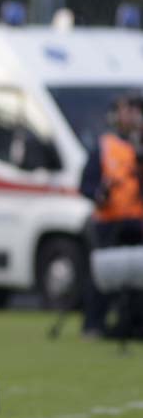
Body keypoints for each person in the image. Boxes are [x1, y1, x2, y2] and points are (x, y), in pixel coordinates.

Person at [79, 94, 143, 338]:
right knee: (104, 276)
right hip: (110, 222)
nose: (131, 116)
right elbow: (86, 185)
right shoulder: (105, 145)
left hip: (138, 222)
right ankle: (94, 324)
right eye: (127, 110)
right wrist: (99, 194)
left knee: (137, 281)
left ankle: (133, 324)